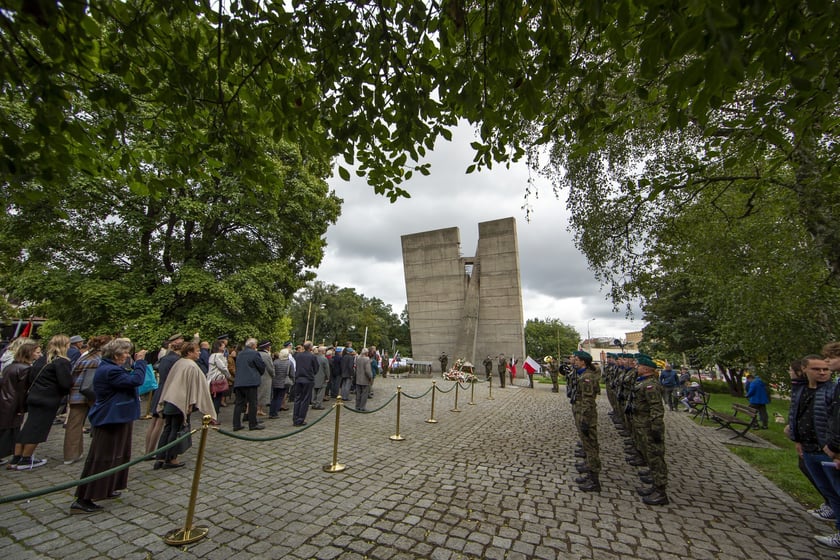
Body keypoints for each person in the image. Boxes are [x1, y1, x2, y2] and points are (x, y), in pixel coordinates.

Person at [71, 339, 147, 513]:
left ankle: (106, 487)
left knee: (117, 455)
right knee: (102, 457)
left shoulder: (112, 368)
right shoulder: (110, 370)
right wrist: (141, 362)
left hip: (119, 416)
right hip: (110, 418)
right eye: (125, 353)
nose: (127, 356)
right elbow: (136, 380)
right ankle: (84, 498)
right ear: (116, 355)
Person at [788, 355, 840, 548]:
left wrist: (835, 446)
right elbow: (796, 413)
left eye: (825, 369)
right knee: (828, 491)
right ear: (805, 370)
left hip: (827, 449)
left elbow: (835, 421)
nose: (822, 372)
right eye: (817, 369)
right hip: (808, 447)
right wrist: (796, 438)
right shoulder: (800, 390)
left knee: (837, 490)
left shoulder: (833, 391)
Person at [154, 342, 216, 470]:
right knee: (175, 429)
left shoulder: (179, 363)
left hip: (170, 399)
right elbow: (193, 386)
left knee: (168, 427)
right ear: (189, 352)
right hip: (179, 401)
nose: (199, 353)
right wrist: (190, 403)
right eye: (197, 351)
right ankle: (171, 458)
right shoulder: (190, 365)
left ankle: (160, 457)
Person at [15, 335, 73, 470]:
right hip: (48, 399)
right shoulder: (61, 362)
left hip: (34, 396)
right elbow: (65, 383)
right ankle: (26, 459)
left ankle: (17, 456)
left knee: (28, 426)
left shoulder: (41, 360)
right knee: (37, 429)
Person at [63, 335, 112, 465]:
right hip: (94, 394)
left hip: (77, 394)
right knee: (101, 421)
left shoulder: (83, 357)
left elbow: (73, 374)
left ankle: (71, 455)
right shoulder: (101, 359)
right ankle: (102, 451)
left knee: (74, 425)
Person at [632, 354, 669, 505]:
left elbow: (656, 408)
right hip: (642, 424)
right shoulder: (645, 382)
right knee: (650, 455)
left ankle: (661, 492)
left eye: (639, 366)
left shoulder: (651, 385)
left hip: (649, 426)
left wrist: (656, 427)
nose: (637, 367)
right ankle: (655, 485)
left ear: (646, 368)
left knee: (655, 457)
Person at [0, 341, 41, 467]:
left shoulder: (10, 367)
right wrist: (21, 407)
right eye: (37, 352)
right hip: (13, 402)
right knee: (9, 431)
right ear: (29, 353)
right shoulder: (25, 369)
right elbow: (22, 391)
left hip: (5, 400)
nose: (40, 355)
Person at [145, 333, 184, 455]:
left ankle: (148, 451)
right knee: (159, 422)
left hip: (160, 388)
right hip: (166, 390)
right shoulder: (174, 359)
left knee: (154, 422)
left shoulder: (165, 357)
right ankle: (151, 452)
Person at [570, 351, 601, 492]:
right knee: (587, 444)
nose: (574, 361)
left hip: (586, 414)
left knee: (590, 446)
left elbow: (588, 401)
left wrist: (585, 418)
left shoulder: (587, 377)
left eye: (576, 359)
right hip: (581, 411)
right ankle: (590, 472)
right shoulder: (582, 374)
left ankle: (594, 480)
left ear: (583, 362)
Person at [233, 338, 266, 431]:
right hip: (251, 382)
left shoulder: (240, 354)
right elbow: (261, 366)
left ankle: (236, 424)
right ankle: (252, 424)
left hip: (239, 382)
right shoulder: (254, 353)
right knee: (252, 403)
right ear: (253, 345)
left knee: (239, 404)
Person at [292, 341, 319, 426]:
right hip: (307, 379)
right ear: (310, 348)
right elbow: (316, 368)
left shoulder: (297, 355)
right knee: (305, 400)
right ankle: (300, 419)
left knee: (297, 399)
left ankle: (295, 418)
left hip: (298, 378)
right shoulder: (312, 356)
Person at [207, 339, 232, 417]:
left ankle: (210, 415)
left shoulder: (212, 355)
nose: (224, 346)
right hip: (217, 380)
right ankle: (214, 416)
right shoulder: (218, 356)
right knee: (217, 399)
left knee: (212, 399)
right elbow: (223, 367)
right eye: (222, 345)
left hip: (211, 379)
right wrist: (228, 376)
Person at [269, 348, 294, 418]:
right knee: (280, 398)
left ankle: (271, 412)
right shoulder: (289, 363)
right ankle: (275, 413)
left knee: (274, 397)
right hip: (284, 382)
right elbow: (292, 374)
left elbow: (273, 372)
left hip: (275, 381)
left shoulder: (275, 362)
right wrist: (292, 381)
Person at [257, 340, 274, 417]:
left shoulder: (257, 353)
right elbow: (270, 367)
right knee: (262, 394)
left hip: (259, 376)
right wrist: (273, 374)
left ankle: (259, 409)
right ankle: (259, 409)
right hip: (265, 376)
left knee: (259, 393)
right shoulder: (266, 355)